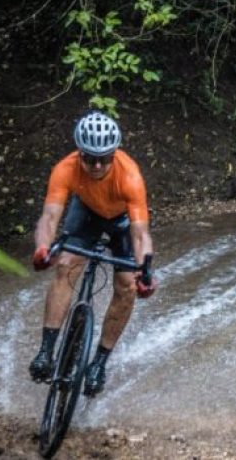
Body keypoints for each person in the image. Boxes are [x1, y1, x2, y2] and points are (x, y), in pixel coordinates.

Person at [29, 110, 157, 396]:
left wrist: (144, 269)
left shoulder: (130, 175)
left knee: (127, 286)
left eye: (105, 158)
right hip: (86, 212)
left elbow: (140, 234)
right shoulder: (66, 168)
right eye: (89, 157)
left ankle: (98, 363)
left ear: (114, 153)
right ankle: (46, 351)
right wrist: (42, 247)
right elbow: (49, 218)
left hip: (122, 222)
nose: (97, 165)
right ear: (79, 153)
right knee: (66, 265)